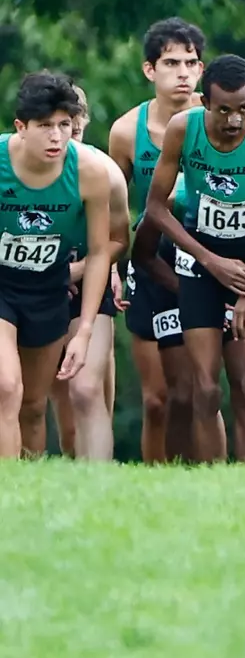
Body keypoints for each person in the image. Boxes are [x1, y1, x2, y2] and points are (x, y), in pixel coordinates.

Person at [137, 55, 245, 464]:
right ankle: (213, 481)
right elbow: (156, 209)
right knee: (205, 387)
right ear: (204, 103)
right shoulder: (184, 129)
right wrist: (210, 261)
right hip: (201, 263)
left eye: (244, 109)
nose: (234, 121)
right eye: (223, 110)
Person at [0, 73, 115, 459]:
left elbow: (101, 251)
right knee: (5, 387)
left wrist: (83, 330)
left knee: (33, 406)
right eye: (45, 126)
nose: (56, 137)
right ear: (21, 127)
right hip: (1, 286)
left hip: (49, 289)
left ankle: (26, 497)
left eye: (64, 125)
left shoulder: (90, 172)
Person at [107, 17, 204, 463]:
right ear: (150, 70)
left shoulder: (221, 119)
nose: (182, 73)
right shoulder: (127, 132)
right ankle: (153, 483)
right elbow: (112, 209)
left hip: (206, 266)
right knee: (157, 400)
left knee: (195, 395)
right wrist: (112, 266)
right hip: (150, 268)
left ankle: (203, 480)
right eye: (171, 63)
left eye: (191, 63)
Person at [46, 85, 125, 461]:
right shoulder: (26, 168)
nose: (68, 130)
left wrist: (99, 268)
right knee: (56, 397)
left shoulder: (100, 170)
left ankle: (99, 474)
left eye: (74, 121)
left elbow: (115, 239)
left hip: (88, 284)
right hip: (36, 287)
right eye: (59, 121)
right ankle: (70, 468)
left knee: (87, 388)